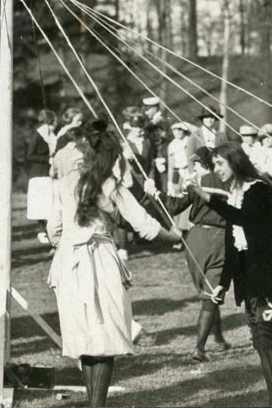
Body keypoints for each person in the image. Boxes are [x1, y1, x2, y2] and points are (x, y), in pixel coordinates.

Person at [47, 122, 181, 407]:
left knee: (85, 336)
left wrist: (68, 242)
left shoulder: (66, 182)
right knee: (104, 335)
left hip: (70, 260)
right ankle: (97, 406)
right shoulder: (110, 185)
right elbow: (144, 225)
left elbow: (53, 228)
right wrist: (176, 236)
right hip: (100, 260)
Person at [189, 143, 272, 406]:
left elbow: (243, 219)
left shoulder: (259, 191)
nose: (216, 170)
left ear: (235, 163)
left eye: (220, 164)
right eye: (214, 165)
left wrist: (207, 197)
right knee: (259, 341)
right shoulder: (235, 194)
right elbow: (231, 246)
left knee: (268, 339)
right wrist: (223, 284)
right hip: (250, 277)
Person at [146, 145, 233, 363]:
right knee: (211, 294)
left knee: (208, 294)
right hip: (222, 239)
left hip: (195, 240)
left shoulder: (196, 184)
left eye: (195, 164)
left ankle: (217, 340)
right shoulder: (232, 182)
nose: (193, 168)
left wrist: (154, 193)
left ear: (204, 165)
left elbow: (172, 207)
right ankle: (201, 348)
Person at [26, 110, 58, 244]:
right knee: (41, 204)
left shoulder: (51, 135)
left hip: (47, 173)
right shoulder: (39, 135)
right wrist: (47, 159)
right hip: (39, 174)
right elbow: (30, 155)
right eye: (54, 121)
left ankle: (48, 231)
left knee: (48, 203)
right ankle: (42, 230)